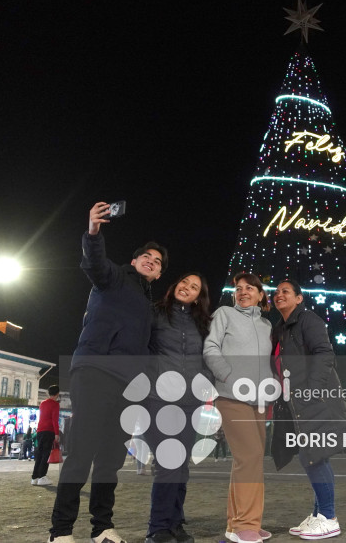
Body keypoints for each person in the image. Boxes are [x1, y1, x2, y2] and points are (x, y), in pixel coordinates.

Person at [49, 201, 168, 543]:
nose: (151, 261)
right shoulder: (115, 277)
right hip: (95, 371)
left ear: (159, 274)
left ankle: (102, 527)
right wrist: (93, 231)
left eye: (157, 262)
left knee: (111, 458)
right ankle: (60, 531)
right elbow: (94, 264)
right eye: (146, 256)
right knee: (82, 452)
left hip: (128, 384)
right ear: (134, 262)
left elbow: (150, 351)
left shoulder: (149, 308)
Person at [270, 279, 346, 541]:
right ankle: (319, 514)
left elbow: (325, 353)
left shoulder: (308, 320)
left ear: (299, 298)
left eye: (286, 291)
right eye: (277, 292)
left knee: (314, 455)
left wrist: (313, 390)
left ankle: (328, 517)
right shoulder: (281, 328)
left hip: (316, 399)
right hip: (298, 402)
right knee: (311, 455)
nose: (279, 295)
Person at [204, 272, 274, 543]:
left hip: (259, 402)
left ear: (260, 295)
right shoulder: (224, 314)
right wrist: (227, 376)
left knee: (247, 460)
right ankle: (247, 523)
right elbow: (210, 347)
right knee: (251, 456)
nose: (243, 292)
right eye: (238, 288)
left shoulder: (267, 326)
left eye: (249, 288)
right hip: (231, 396)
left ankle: (237, 524)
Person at [143, 272, 212, 543]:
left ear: (199, 297)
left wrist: (205, 381)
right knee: (168, 463)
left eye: (195, 287)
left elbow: (209, 356)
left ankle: (175, 524)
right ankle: (157, 528)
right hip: (159, 398)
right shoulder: (155, 313)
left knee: (181, 467)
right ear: (175, 285)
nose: (188, 288)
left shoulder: (202, 323)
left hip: (190, 402)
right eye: (184, 282)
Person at [32, 386, 61, 484]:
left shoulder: (42, 403)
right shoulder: (55, 405)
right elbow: (54, 420)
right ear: (57, 394)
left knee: (40, 454)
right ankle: (42, 476)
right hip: (49, 431)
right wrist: (57, 433)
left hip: (40, 430)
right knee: (46, 454)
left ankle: (34, 477)